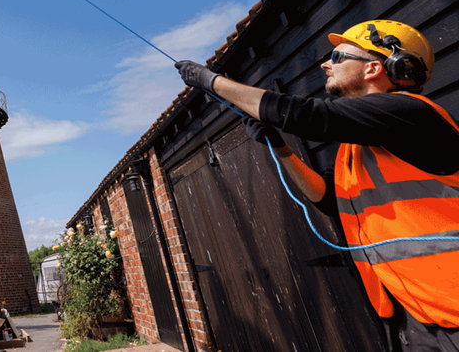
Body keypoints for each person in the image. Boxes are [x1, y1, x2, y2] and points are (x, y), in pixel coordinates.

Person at [175, 19, 459, 352]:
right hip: (410, 311)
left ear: (374, 69)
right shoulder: (355, 148)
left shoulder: (413, 113)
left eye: (338, 57)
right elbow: (325, 199)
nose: (326, 63)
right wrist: (280, 149)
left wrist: (213, 82)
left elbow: (310, 116)